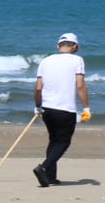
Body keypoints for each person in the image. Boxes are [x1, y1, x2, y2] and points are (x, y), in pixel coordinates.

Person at [32, 33, 91, 187]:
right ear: (75, 46)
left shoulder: (45, 61)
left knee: (54, 140)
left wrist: (38, 106)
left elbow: (38, 88)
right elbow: (80, 85)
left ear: (58, 46)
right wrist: (86, 107)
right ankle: (43, 168)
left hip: (47, 108)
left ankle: (50, 177)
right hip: (65, 109)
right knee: (63, 141)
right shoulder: (77, 60)